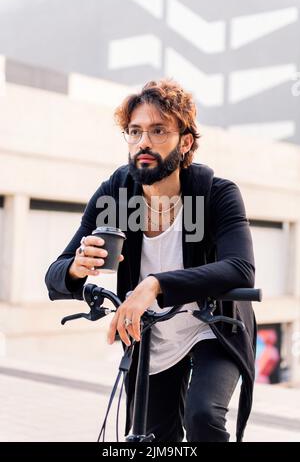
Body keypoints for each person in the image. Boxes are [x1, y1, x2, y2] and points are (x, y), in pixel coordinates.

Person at [45, 78, 256, 442]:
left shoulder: (216, 193)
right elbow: (54, 276)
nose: (143, 141)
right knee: (152, 439)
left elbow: (240, 269)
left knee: (203, 417)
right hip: (152, 336)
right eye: (135, 131)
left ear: (185, 141)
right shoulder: (116, 193)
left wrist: (155, 285)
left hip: (213, 325)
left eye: (158, 130)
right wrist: (77, 267)